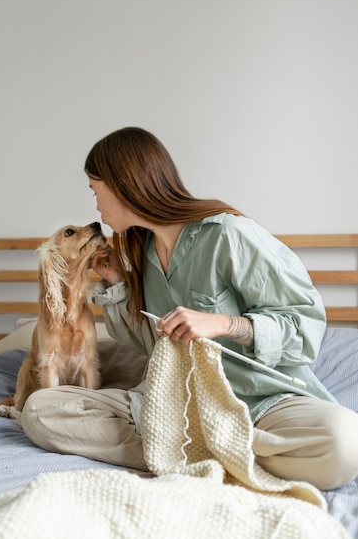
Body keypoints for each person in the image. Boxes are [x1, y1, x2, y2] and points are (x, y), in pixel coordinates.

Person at [21, 127, 358, 490]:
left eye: (95, 192)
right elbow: (148, 342)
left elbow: (304, 326)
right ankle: (217, 451)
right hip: (172, 407)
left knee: (344, 442)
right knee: (40, 411)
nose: (97, 208)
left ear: (121, 186)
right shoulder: (141, 252)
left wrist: (223, 324)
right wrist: (118, 283)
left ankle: (189, 451)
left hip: (259, 404)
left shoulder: (228, 235)